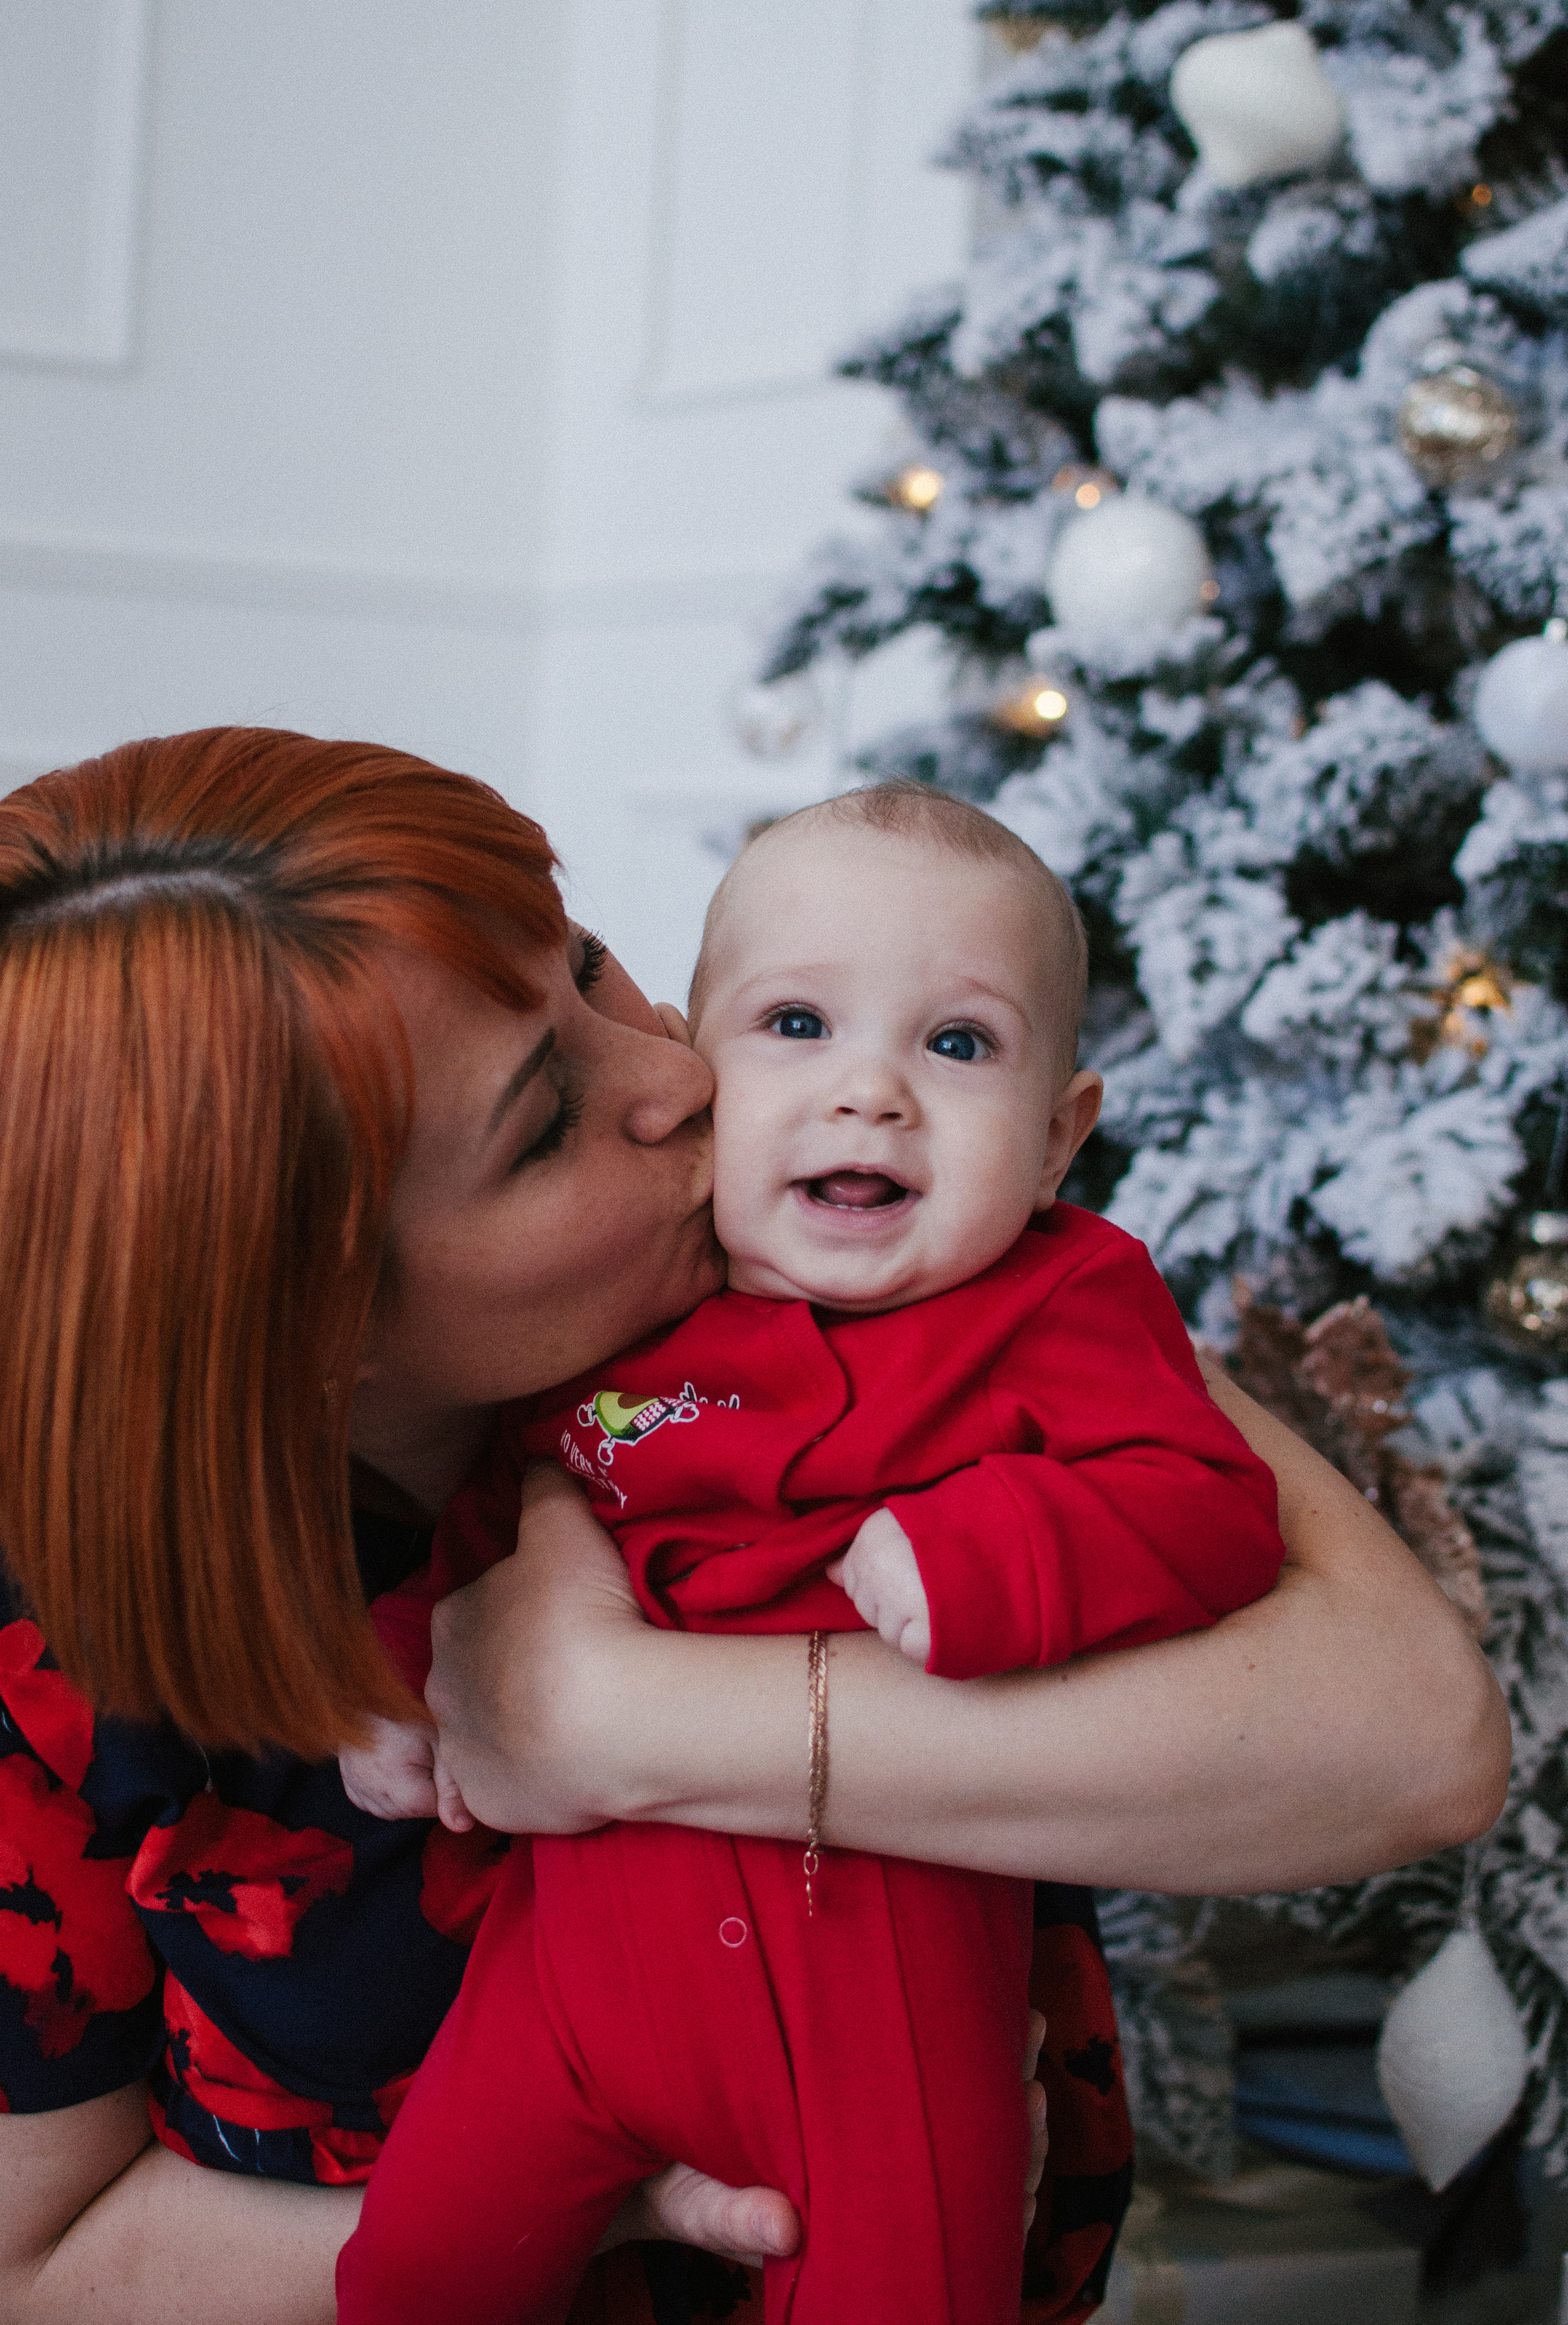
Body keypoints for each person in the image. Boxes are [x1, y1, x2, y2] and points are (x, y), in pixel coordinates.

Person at [0, 729, 1510, 2325]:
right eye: (542, 1125)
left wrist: (610, 1715)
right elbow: (11, 2273)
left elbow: (1415, 1735)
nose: (680, 1073)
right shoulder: (6, 1627)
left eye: (591, 967)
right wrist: (628, 2202)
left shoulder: (916, 1259)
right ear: (302, 1331)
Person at [335, 785, 1287, 2324]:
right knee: (409, 2276)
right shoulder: (630, 1304)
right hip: (572, 1975)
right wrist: (395, 1682)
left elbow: (1204, 1499)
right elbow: (499, 1528)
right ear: (707, 1076)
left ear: (1058, 1138)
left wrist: (990, 1553)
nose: (869, 1095)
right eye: (795, 1025)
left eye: (957, 1044)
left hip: (882, 2004)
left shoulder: (1060, 1302)